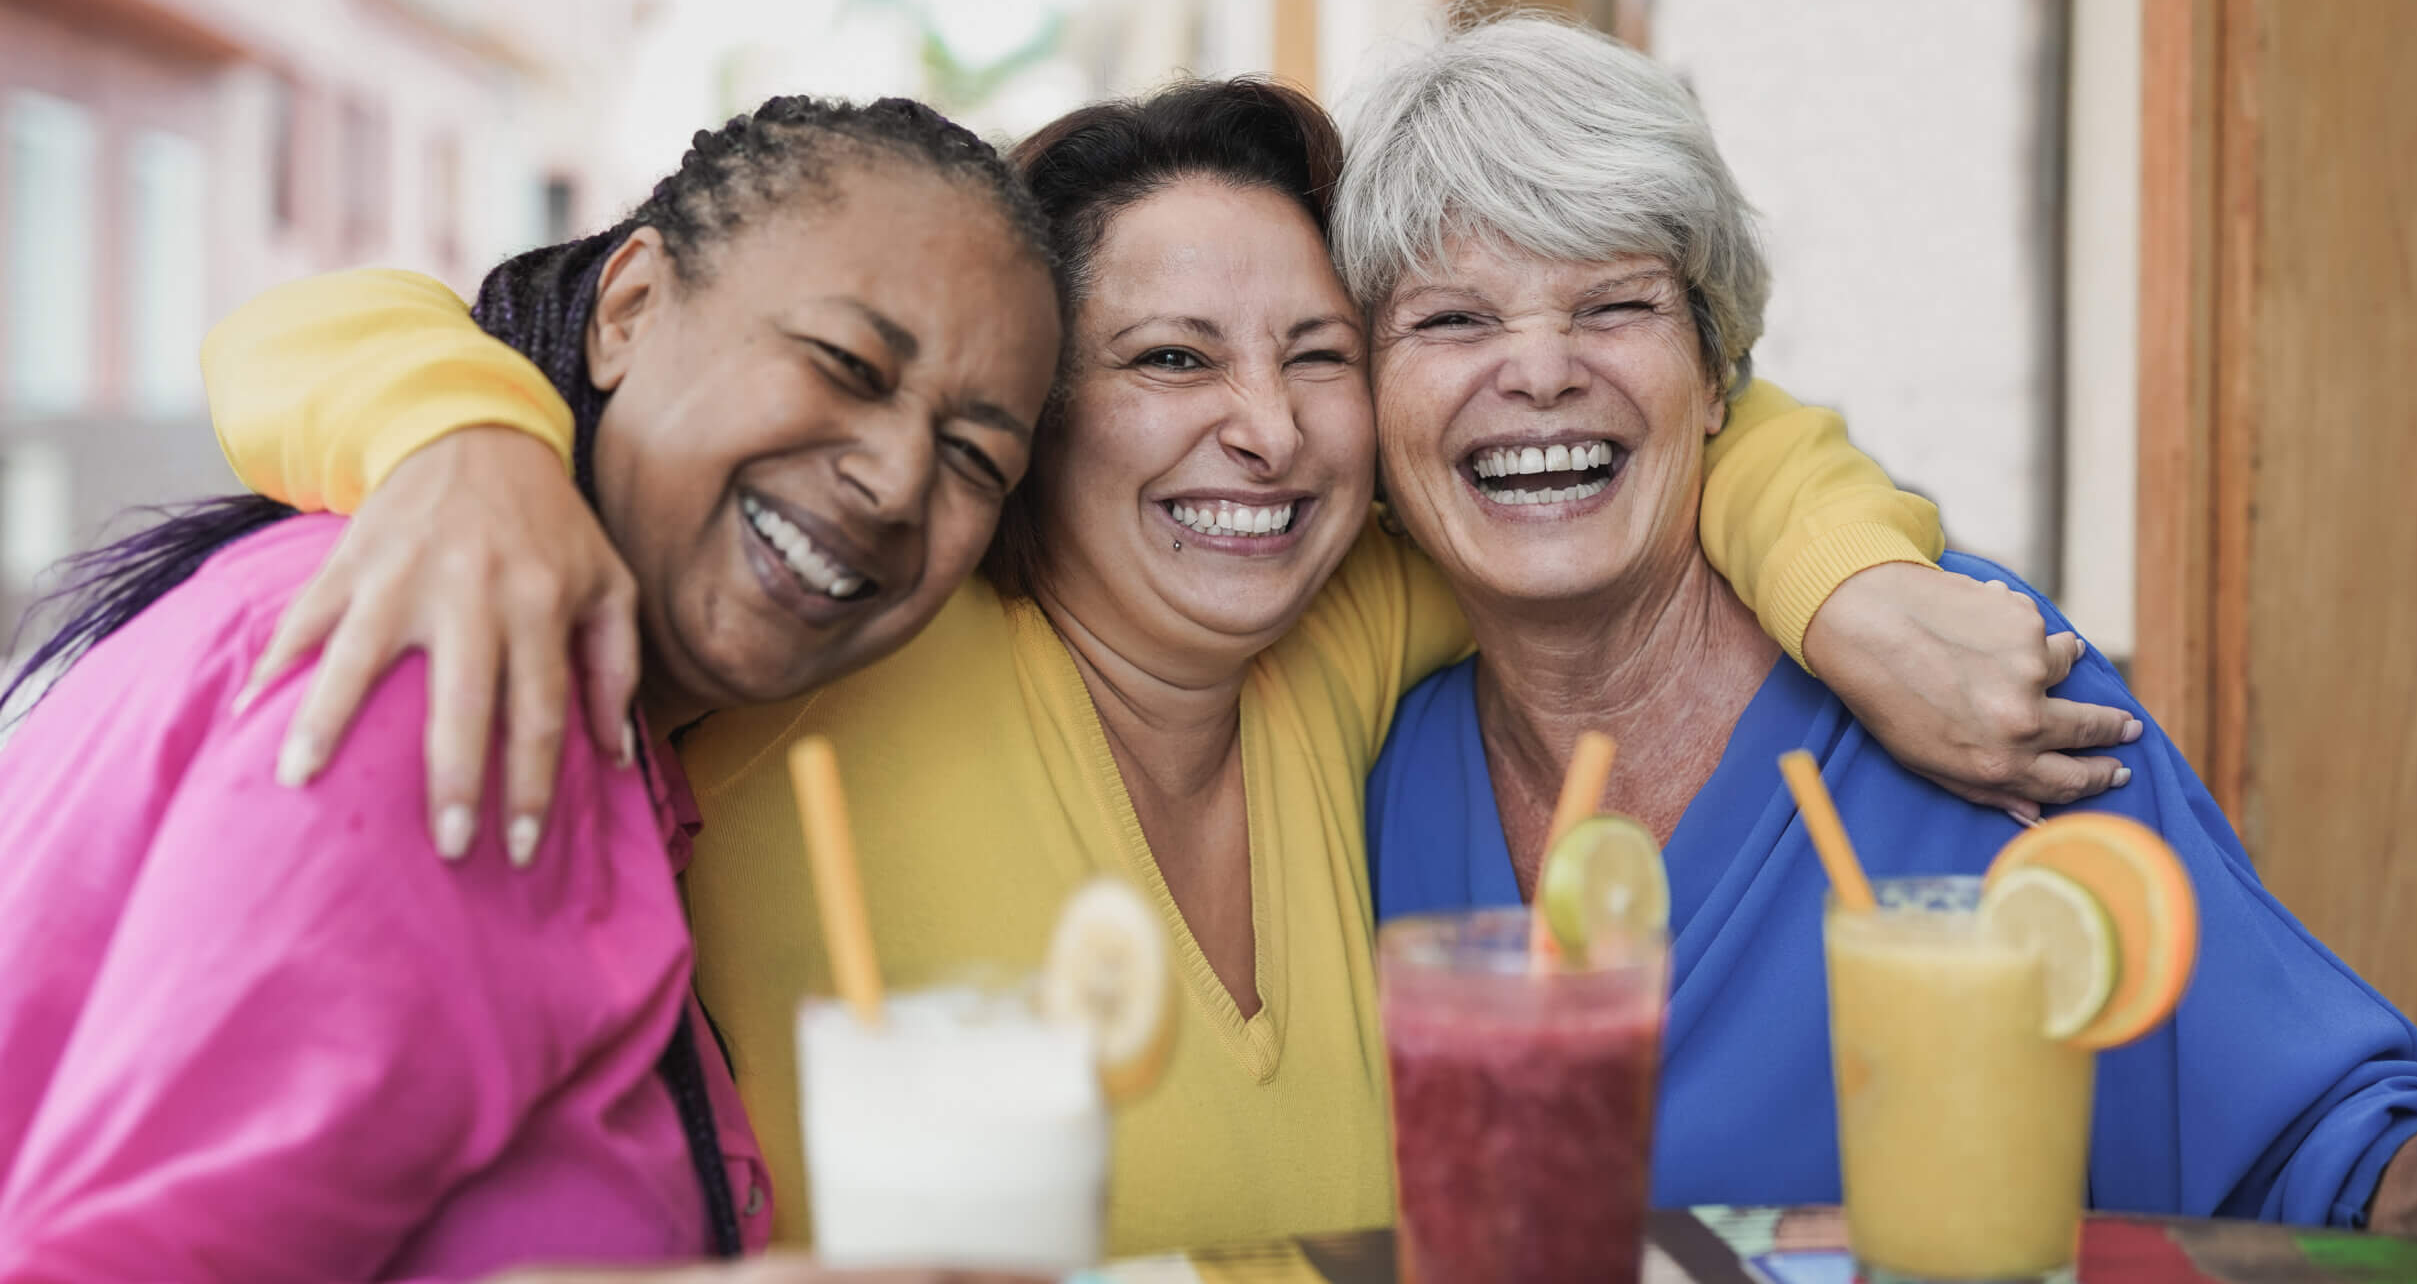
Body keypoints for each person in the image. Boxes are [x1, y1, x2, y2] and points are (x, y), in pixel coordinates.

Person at [188, 79, 2137, 1253]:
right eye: (1168, 360)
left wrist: (1851, 591)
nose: (1269, 434)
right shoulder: (860, 619)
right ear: (1021, 419)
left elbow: (1673, 431)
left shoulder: (1344, 622)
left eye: (1314, 357)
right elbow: (310, 326)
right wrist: (470, 446)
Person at [1349, 13, 2417, 1246]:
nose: (1541, 370)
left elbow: (2305, 1132)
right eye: (1452, 321)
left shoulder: (1974, 678)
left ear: (1719, 377)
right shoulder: (1365, 765)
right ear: (1370, 407)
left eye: (1613, 305)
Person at [0, 96, 1063, 1281]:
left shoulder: (586, 719)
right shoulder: (453, 675)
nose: (898, 478)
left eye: (977, 456)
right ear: (631, 306)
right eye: (846, 363)